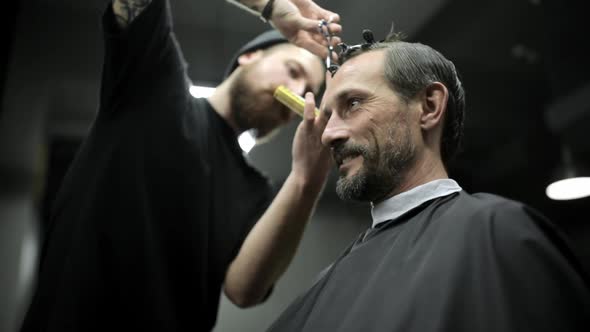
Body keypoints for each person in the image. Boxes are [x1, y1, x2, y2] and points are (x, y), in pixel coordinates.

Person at [19, 0, 341, 331]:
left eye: (308, 91)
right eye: (293, 70)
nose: (300, 94)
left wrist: (307, 177)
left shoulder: (259, 193)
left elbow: (244, 290)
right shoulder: (156, 85)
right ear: (250, 56)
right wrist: (271, 7)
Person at [266, 29, 590, 331]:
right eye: (327, 116)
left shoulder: (499, 233)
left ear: (429, 106)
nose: (328, 134)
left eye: (352, 103)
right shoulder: (324, 286)